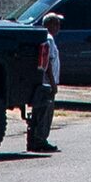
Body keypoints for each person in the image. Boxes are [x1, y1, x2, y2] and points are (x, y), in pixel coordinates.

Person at [28, 11, 63, 152]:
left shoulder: (47, 38)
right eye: (56, 23)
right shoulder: (49, 39)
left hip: (45, 83)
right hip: (46, 83)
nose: (58, 27)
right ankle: (40, 141)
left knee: (40, 112)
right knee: (44, 113)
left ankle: (34, 141)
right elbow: (47, 62)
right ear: (49, 25)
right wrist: (53, 83)